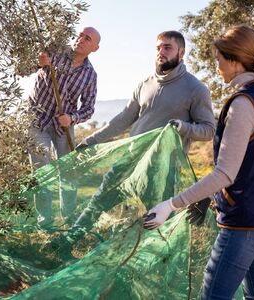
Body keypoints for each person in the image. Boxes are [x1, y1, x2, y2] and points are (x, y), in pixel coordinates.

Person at [144, 25, 254, 299]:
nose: (217, 66)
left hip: (245, 223)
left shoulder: (243, 104)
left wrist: (171, 204)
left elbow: (226, 173)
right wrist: (206, 196)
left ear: (234, 61)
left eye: (219, 59)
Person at [68, 30, 215, 235]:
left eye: (167, 47)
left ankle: (159, 260)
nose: (161, 52)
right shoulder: (145, 84)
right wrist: (90, 140)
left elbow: (208, 131)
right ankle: (68, 242)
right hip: (131, 158)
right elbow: (122, 120)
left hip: (163, 168)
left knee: (156, 222)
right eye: (158, 48)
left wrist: (183, 127)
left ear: (181, 53)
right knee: (98, 202)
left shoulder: (196, 89)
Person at [28, 27, 100, 227]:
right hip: (37, 120)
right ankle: (46, 221)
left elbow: (88, 108)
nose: (81, 40)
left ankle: (69, 218)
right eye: (80, 35)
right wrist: (39, 61)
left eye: (88, 39)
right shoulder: (55, 51)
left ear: (95, 48)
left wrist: (72, 117)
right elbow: (26, 64)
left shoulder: (90, 75)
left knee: (68, 171)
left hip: (63, 126)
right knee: (41, 168)